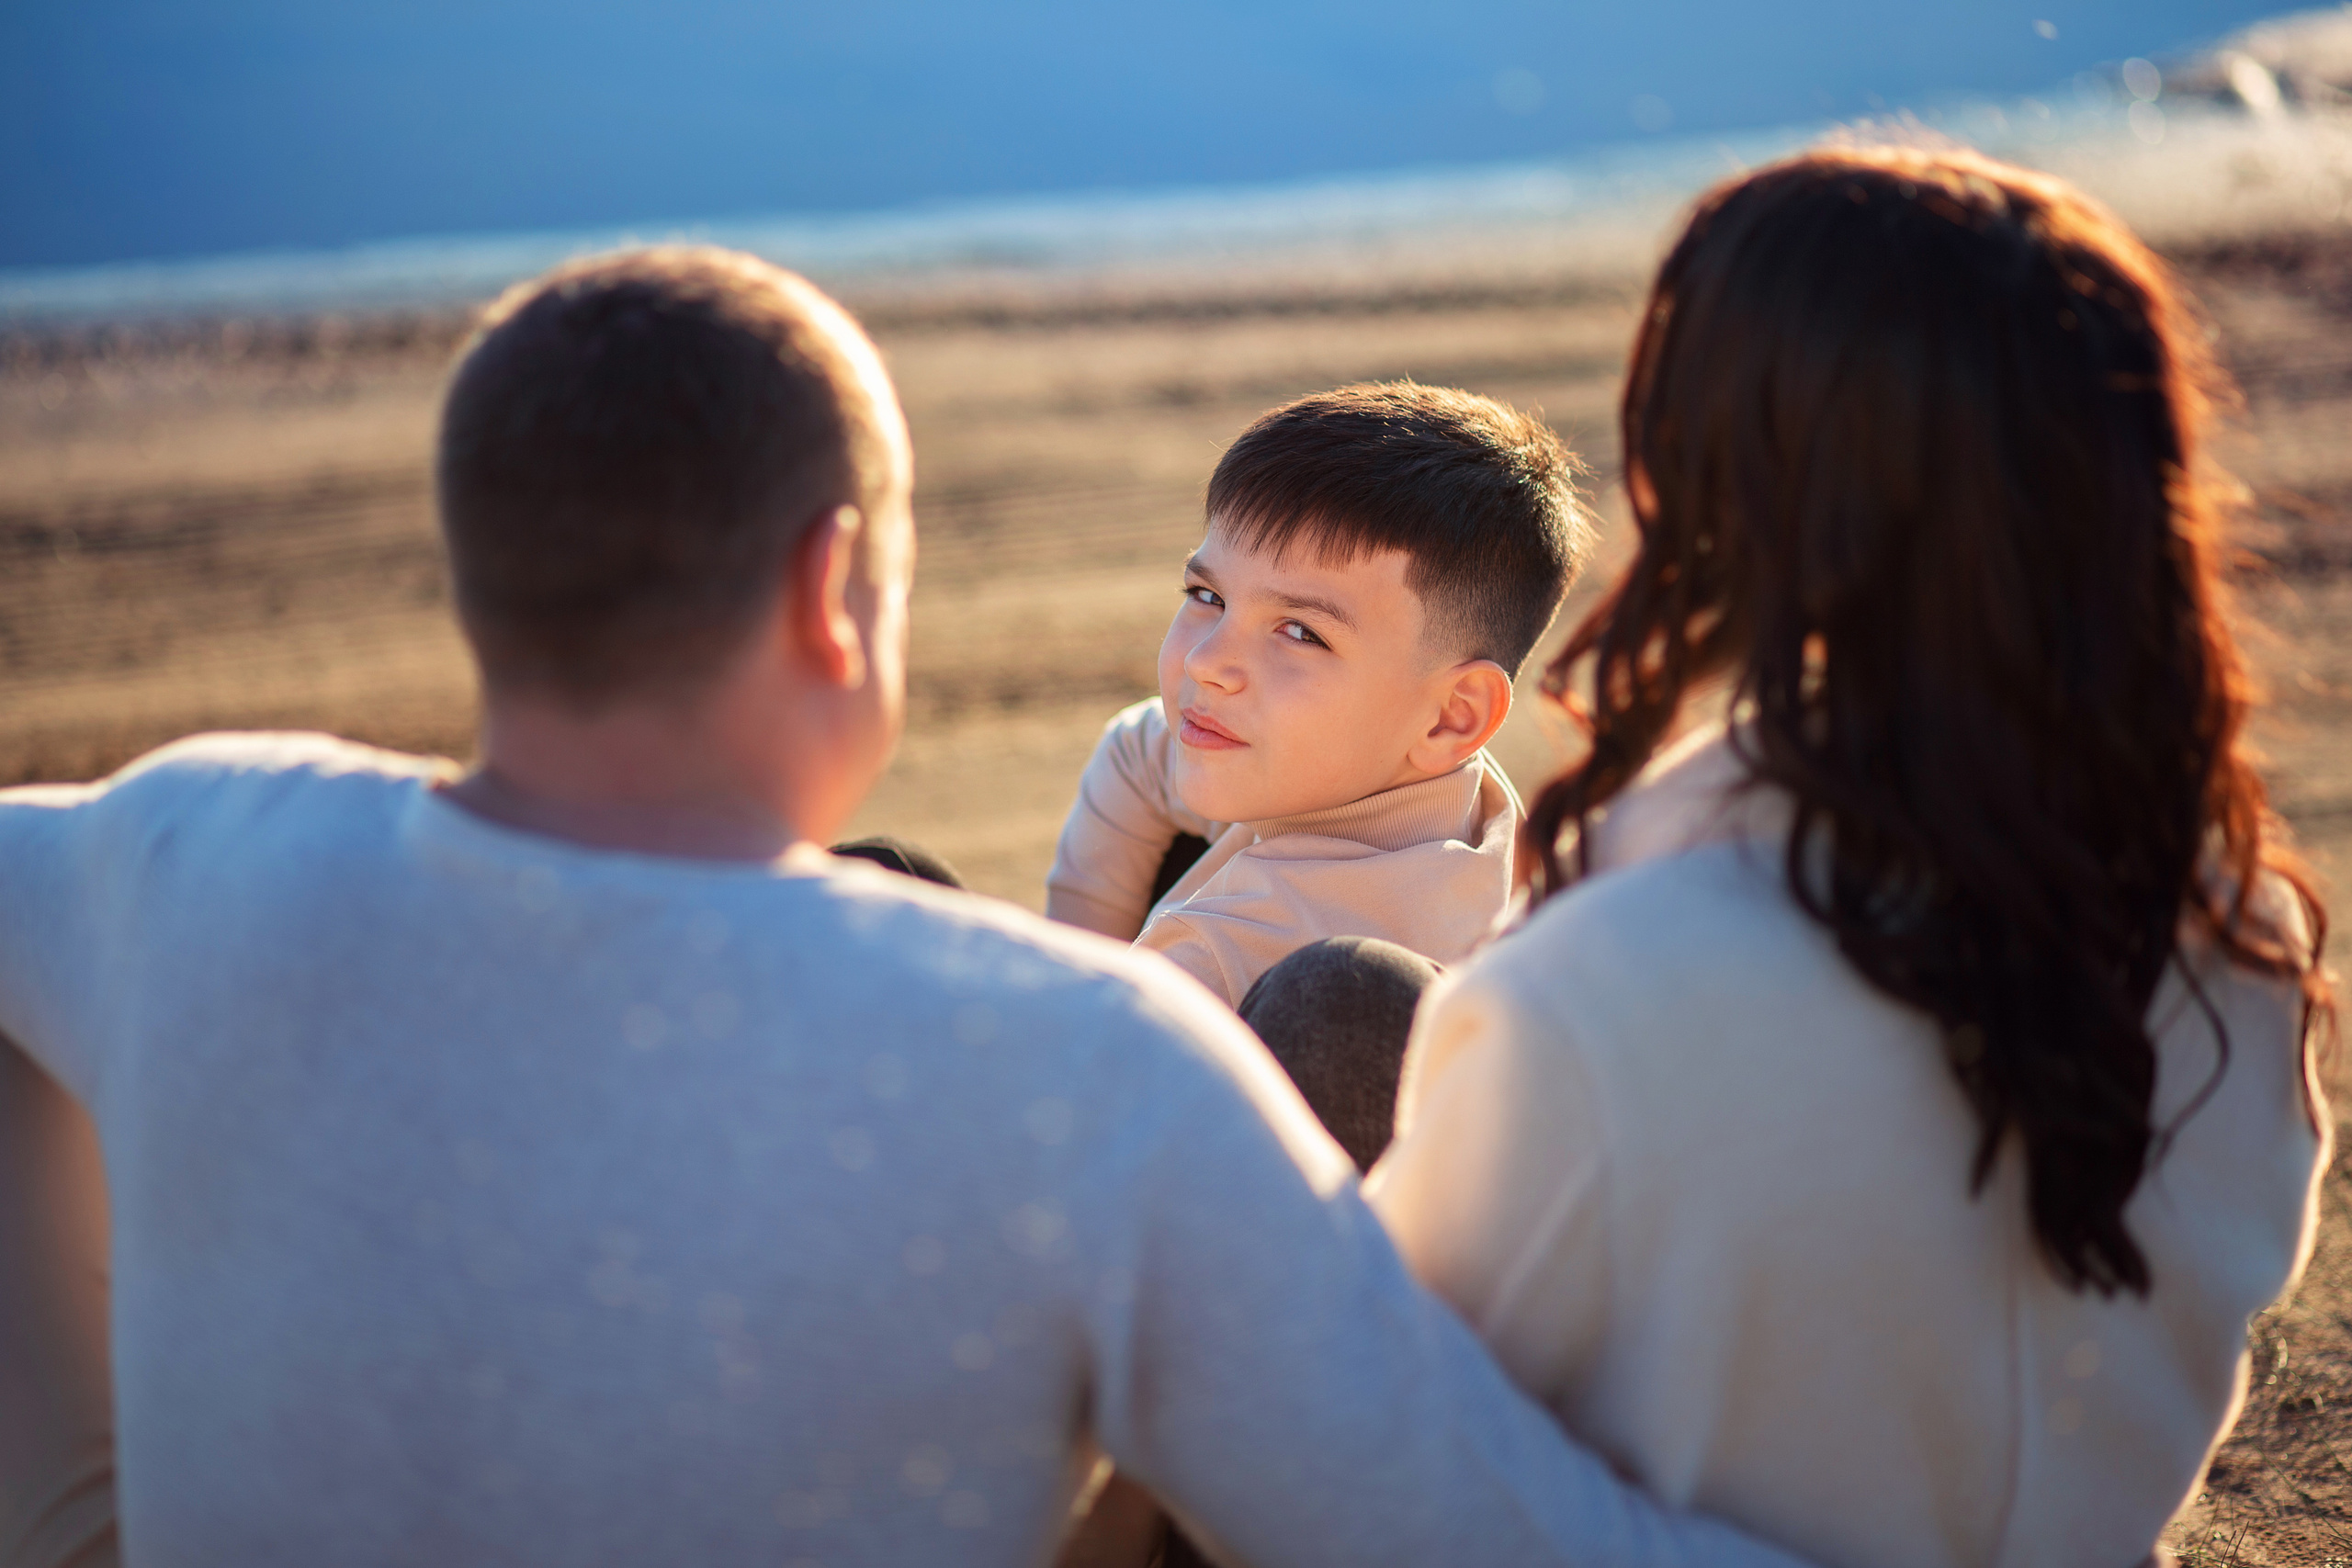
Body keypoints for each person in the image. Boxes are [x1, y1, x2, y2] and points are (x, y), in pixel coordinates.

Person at [0, 246, 1813, 1568]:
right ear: (833, 591)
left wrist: (75, 1499)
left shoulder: (187, 848)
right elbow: (1476, 1527)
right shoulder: (1106, 1071)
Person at [1364, 146, 2335, 1568]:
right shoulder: (2237, 928)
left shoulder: (1605, 989)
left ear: (1715, 469)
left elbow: (1389, 1452)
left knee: (1331, 1010)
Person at [1046, 383, 1588, 1162]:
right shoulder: (1454, 792)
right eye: (1207, 595)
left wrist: (1070, 995)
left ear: (1454, 714)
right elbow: (1138, 751)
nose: (1208, 662)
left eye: (1299, 632)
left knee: (888, 873)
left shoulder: (1218, 948)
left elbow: (1056, 1154)